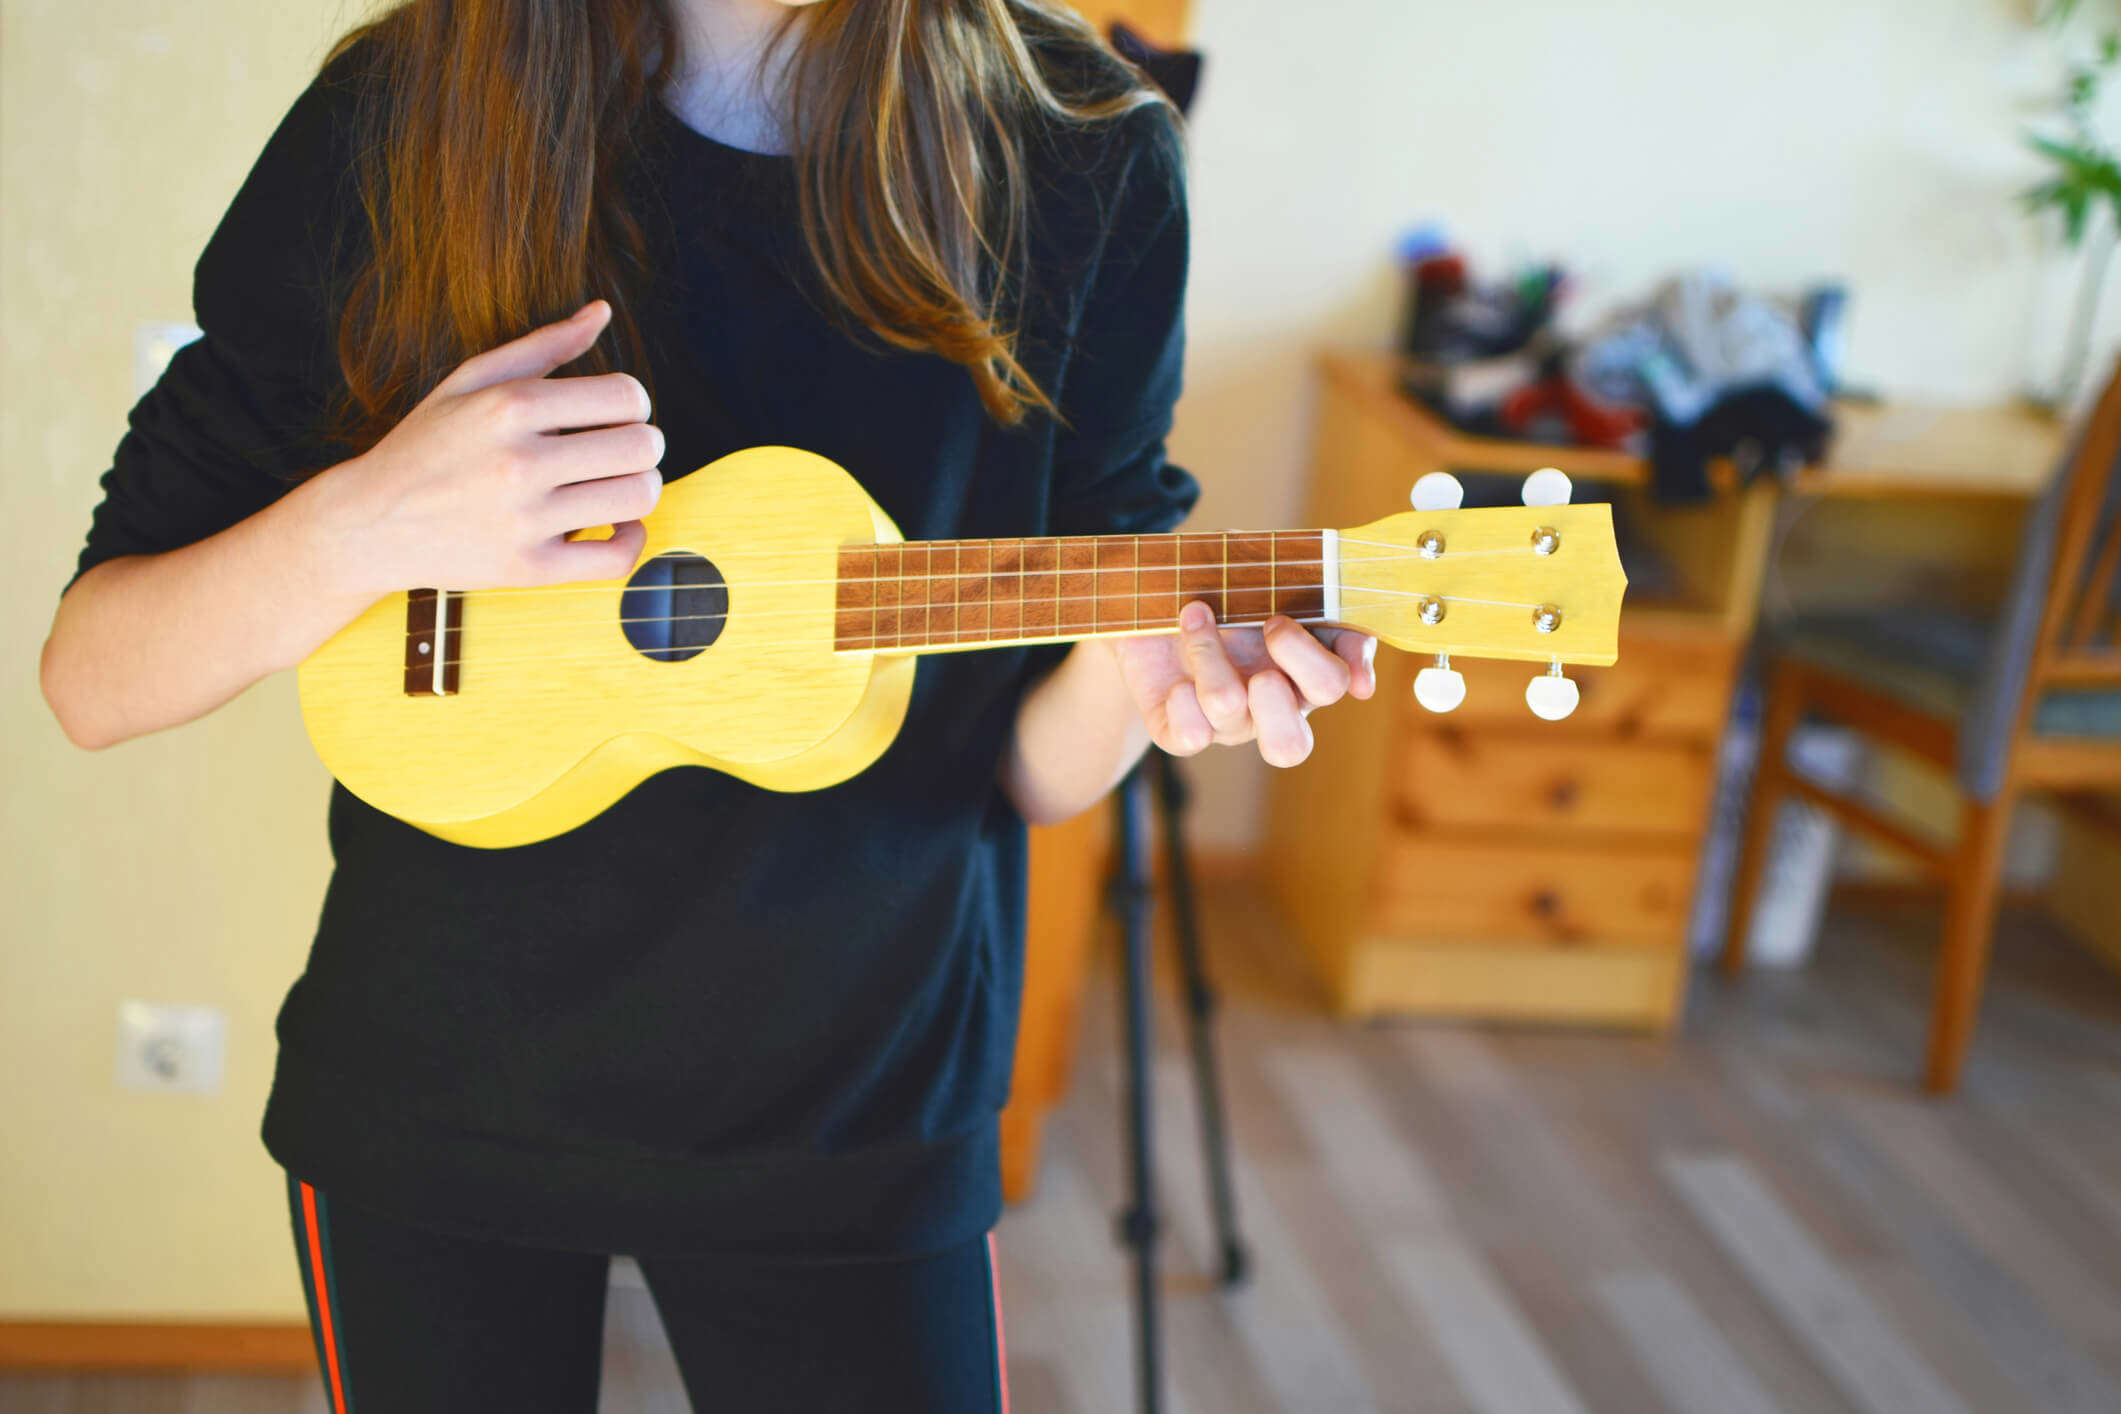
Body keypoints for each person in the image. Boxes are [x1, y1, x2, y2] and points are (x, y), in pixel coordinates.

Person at [38, 0, 1375, 1407]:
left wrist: (1133, 678)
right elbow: (93, 674)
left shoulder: (1080, 149)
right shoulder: (404, 112)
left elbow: (1024, 775)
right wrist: (362, 529)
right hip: (440, 1083)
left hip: (862, 1096)